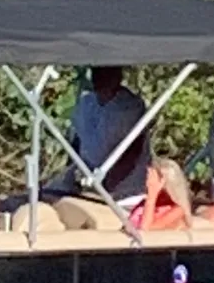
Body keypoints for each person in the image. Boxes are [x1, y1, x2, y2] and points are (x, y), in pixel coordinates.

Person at [53, 65, 150, 201]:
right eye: (97, 71)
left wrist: (103, 188)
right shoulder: (86, 104)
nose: (101, 76)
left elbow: (130, 152)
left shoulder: (130, 107)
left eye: (107, 72)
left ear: (118, 75)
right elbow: (77, 144)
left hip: (124, 191)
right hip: (85, 184)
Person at [130, 155, 194, 235]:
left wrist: (152, 194)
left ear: (163, 182)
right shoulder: (143, 205)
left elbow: (146, 231)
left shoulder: (177, 211)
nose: (146, 180)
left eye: (150, 176)